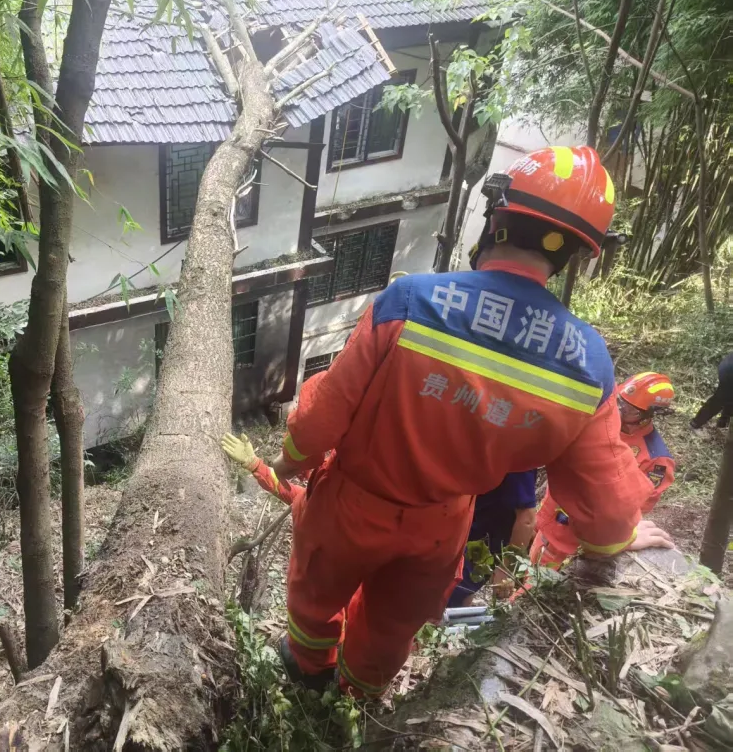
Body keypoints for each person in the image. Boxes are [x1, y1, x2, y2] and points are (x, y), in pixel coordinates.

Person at [265, 145, 673, 698]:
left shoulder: (410, 301)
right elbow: (603, 501)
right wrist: (617, 537)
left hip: (352, 505)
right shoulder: (588, 363)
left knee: (315, 596)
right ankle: (357, 701)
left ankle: (310, 670)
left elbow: (320, 417)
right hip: (442, 526)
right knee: (391, 628)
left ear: (497, 218)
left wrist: (290, 462)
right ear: (575, 254)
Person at [531, 372, 677, 569]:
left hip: (578, 541)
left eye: (629, 410)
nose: (620, 410)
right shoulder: (600, 421)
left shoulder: (655, 459)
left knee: (542, 587)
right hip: (547, 522)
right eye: (620, 402)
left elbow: (630, 511)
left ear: (649, 415)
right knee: (527, 572)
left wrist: (623, 538)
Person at [448, 470, 538, 607]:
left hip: (483, 546)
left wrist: (507, 568)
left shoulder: (518, 461)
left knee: (447, 598)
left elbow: (527, 519)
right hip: (466, 531)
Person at [691, 352, 733, 430]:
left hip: (727, 365)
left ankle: (723, 423)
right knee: (719, 399)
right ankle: (695, 423)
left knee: (729, 397)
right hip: (729, 370)